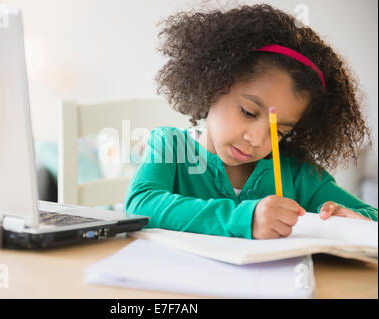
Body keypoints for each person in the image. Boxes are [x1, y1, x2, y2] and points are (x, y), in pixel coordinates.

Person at [124, 4, 378, 239]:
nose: (256, 140)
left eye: (279, 131)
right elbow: (140, 205)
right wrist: (245, 219)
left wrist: (352, 220)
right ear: (212, 86)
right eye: (248, 112)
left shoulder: (299, 173)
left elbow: (372, 218)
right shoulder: (171, 147)